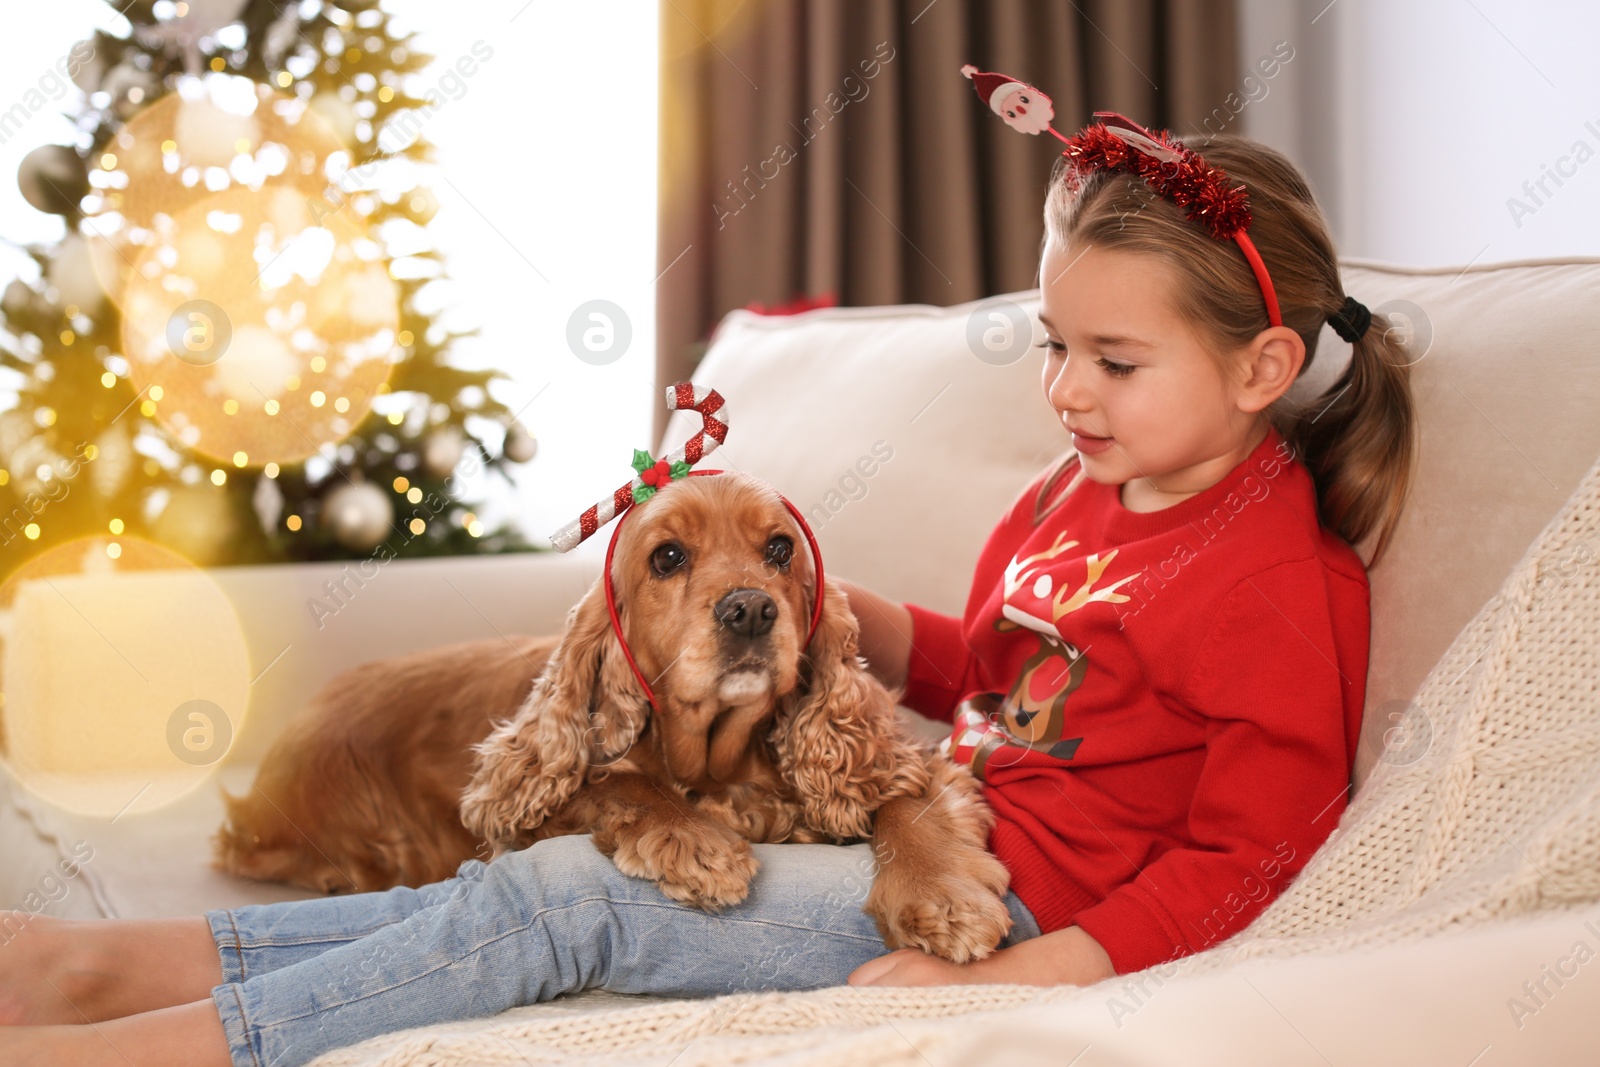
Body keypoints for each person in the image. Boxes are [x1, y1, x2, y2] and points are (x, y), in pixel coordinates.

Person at [0, 113, 1414, 1067]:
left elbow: (1255, 860)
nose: (1064, 391)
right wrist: (809, 599)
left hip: (1026, 908)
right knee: (518, 882)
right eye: (1053, 344)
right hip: (926, 830)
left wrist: (1022, 983)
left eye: (1114, 362)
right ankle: (128, 964)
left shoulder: (1280, 583)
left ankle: (154, 1044)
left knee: (571, 899)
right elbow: (987, 661)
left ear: (1261, 369)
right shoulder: (1073, 495)